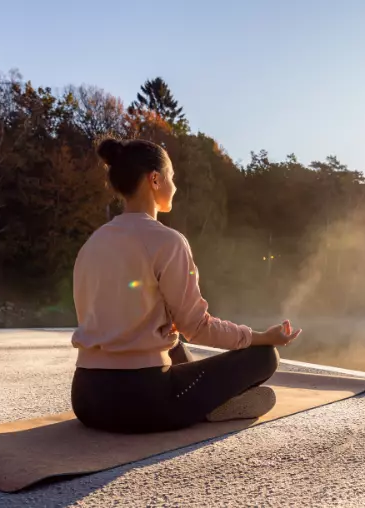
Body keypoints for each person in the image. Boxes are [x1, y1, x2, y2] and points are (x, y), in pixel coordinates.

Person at [70, 138, 301, 434]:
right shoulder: (168, 241)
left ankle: (206, 403)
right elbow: (198, 327)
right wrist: (261, 337)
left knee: (175, 341)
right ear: (155, 179)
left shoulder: (92, 243)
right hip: (141, 402)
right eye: (172, 177)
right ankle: (212, 406)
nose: (174, 186)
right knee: (265, 356)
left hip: (86, 399)